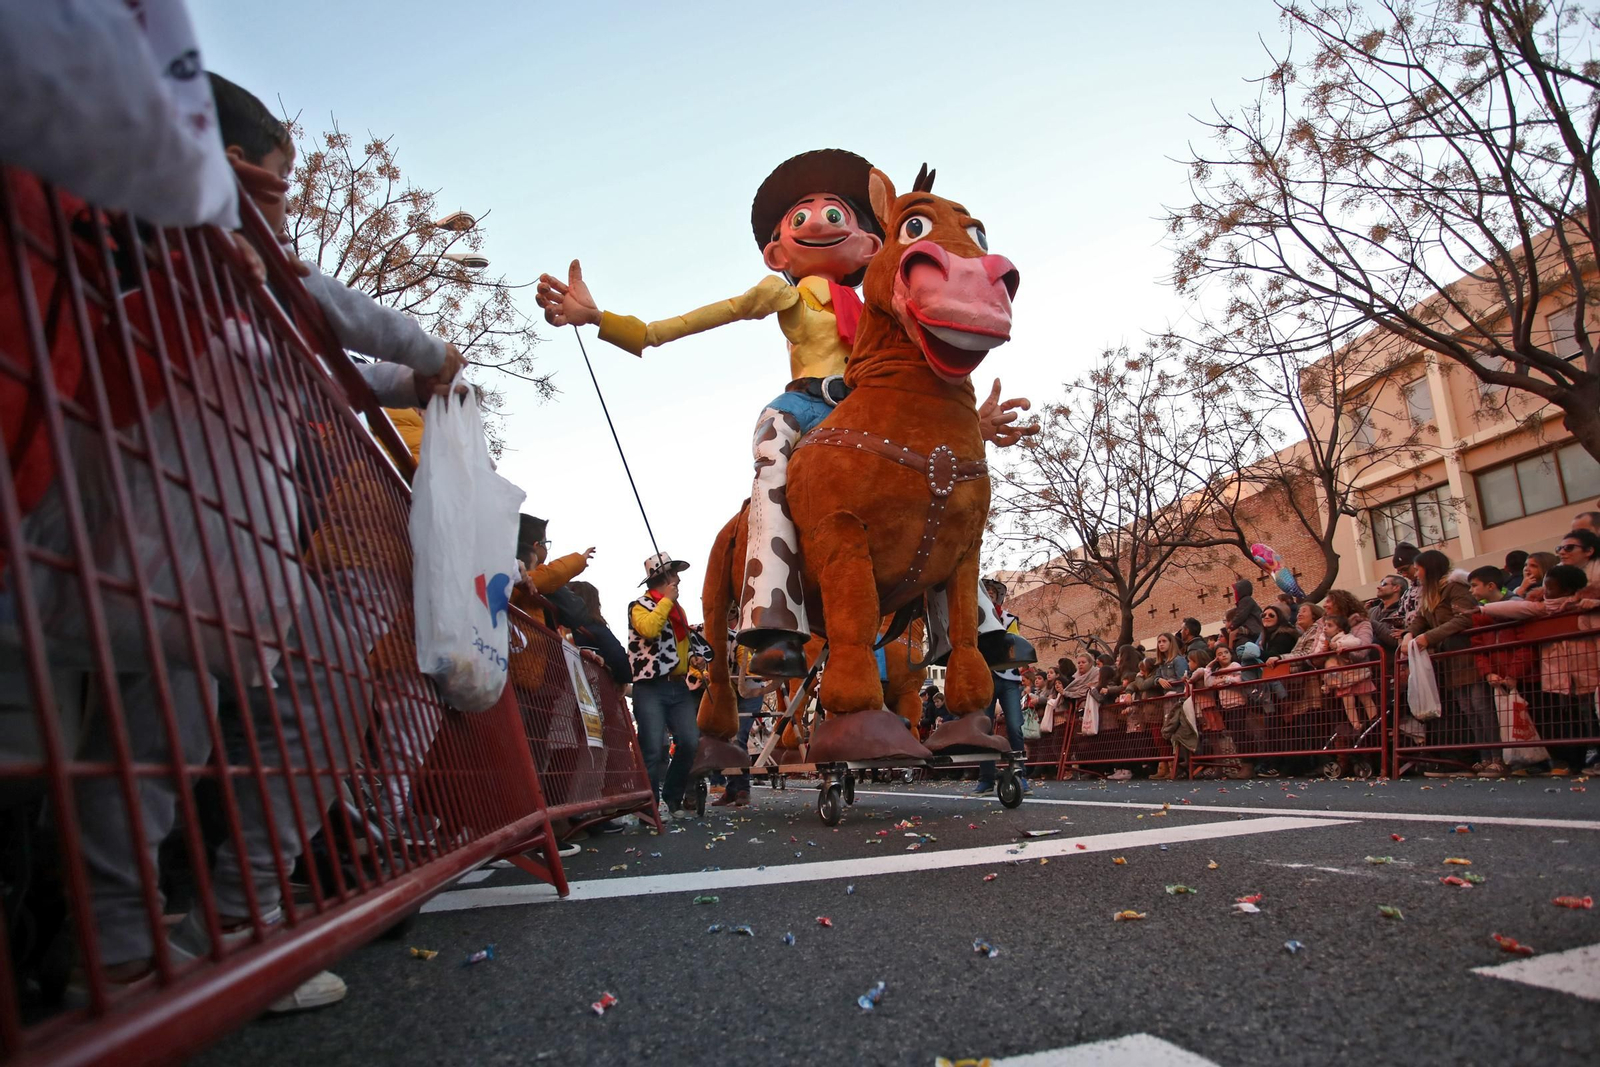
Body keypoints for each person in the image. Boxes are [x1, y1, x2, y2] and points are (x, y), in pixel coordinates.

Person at [536, 150, 1035, 676]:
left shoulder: (885, 304)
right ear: (778, 252)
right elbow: (704, 317)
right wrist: (602, 320)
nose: (820, 221)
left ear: (870, 244)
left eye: (837, 214)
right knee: (772, 463)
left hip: (871, 408)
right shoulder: (788, 292)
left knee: (949, 480)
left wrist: (970, 422)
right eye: (802, 217)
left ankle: (975, 628)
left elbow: (921, 374)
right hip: (806, 405)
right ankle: (772, 613)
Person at [1478, 564, 1600, 776]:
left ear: (1567, 589)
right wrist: (1483, 609)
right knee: (1567, 719)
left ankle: (1590, 758)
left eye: (1551, 589)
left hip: (1587, 671)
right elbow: (1515, 608)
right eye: (1545, 587)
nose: (1546, 592)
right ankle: (1571, 761)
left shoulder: (1586, 608)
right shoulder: (1542, 608)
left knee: (1591, 715)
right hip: (1557, 675)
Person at [1404, 549, 1500, 776]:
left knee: (1482, 706)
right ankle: (1484, 756)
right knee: (1468, 709)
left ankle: (1498, 756)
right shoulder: (1430, 593)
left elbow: (1466, 617)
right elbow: (1421, 618)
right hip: (1451, 659)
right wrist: (1409, 635)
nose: (1415, 573)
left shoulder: (1455, 586)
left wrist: (1430, 637)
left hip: (1467, 652)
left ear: (1429, 567)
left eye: (1418, 568)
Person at [627, 552, 701, 820]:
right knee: (652, 747)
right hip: (649, 687)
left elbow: (679, 647)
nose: (679, 580)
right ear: (662, 579)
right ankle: (649, 807)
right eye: (674, 575)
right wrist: (667, 602)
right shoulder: (639, 606)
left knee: (690, 742)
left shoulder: (676, 610)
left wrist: (692, 657)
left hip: (678, 686)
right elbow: (648, 630)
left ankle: (672, 796)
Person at [974, 579, 1029, 796]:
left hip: (1008, 679)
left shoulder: (1009, 618)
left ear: (998, 596)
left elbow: (1014, 643)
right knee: (984, 729)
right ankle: (986, 779)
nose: (990, 594)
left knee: (1015, 726)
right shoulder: (974, 620)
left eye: (993, 592)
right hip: (985, 679)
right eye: (985, 592)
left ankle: (1019, 774)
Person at [1368, 575, 1409, 651]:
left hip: (1390, 660)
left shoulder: (1404, 611)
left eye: (1383, 584)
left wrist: (1370, 622)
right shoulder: (1371, 611)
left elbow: (1395, 641)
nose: (1378, 587)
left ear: (1396, 588)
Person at [1225, 579, 1264, 648]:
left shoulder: (1246, 600)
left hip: (1253, 628)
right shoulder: (1247, 601)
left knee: (1234, 634)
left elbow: (1241, 615)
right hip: (1254, 628)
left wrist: (1232, 627)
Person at [1392, 542, 1423, 623]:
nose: (1404, 574)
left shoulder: (1437, 586)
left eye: (1405, 569)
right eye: (1400, 572)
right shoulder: (1407, 594)